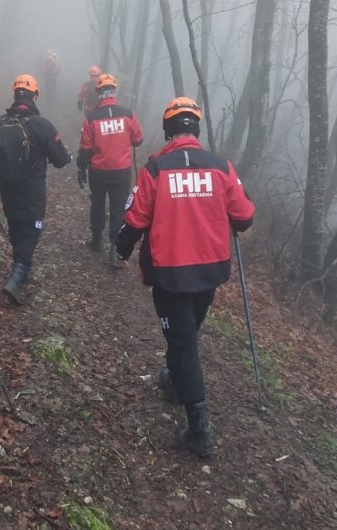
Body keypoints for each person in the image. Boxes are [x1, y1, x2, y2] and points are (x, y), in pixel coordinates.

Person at [115, 97, 254, 458]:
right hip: (210, 271)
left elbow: (135, 219)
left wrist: (122, 248)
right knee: (185, 333)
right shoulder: (221, 166)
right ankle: (175, 380)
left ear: (168, 129)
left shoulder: (156, 169)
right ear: (196, 128)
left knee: (183, 341)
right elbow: (244, 215)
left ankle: (199, 428)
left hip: (171, 273)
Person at [0, 74, 71, 305]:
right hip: (32, 191)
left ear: (14, 94)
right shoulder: (42, 125)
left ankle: (21, 270)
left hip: (7, 189)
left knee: (16, 227)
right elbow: (60, 160)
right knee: (31, 231)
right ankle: (17, 276)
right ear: (35, 96)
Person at [76, 73, 143, 266]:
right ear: (115, 91)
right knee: (118, 209)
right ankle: (115, 250)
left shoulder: (91, 117)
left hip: (98, 171)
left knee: (97, 204)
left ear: (98, 93)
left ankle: (97, 240)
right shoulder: (129, 114)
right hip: (121, 171)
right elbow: (138, 140)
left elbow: (86, 147)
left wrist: (81, 169)